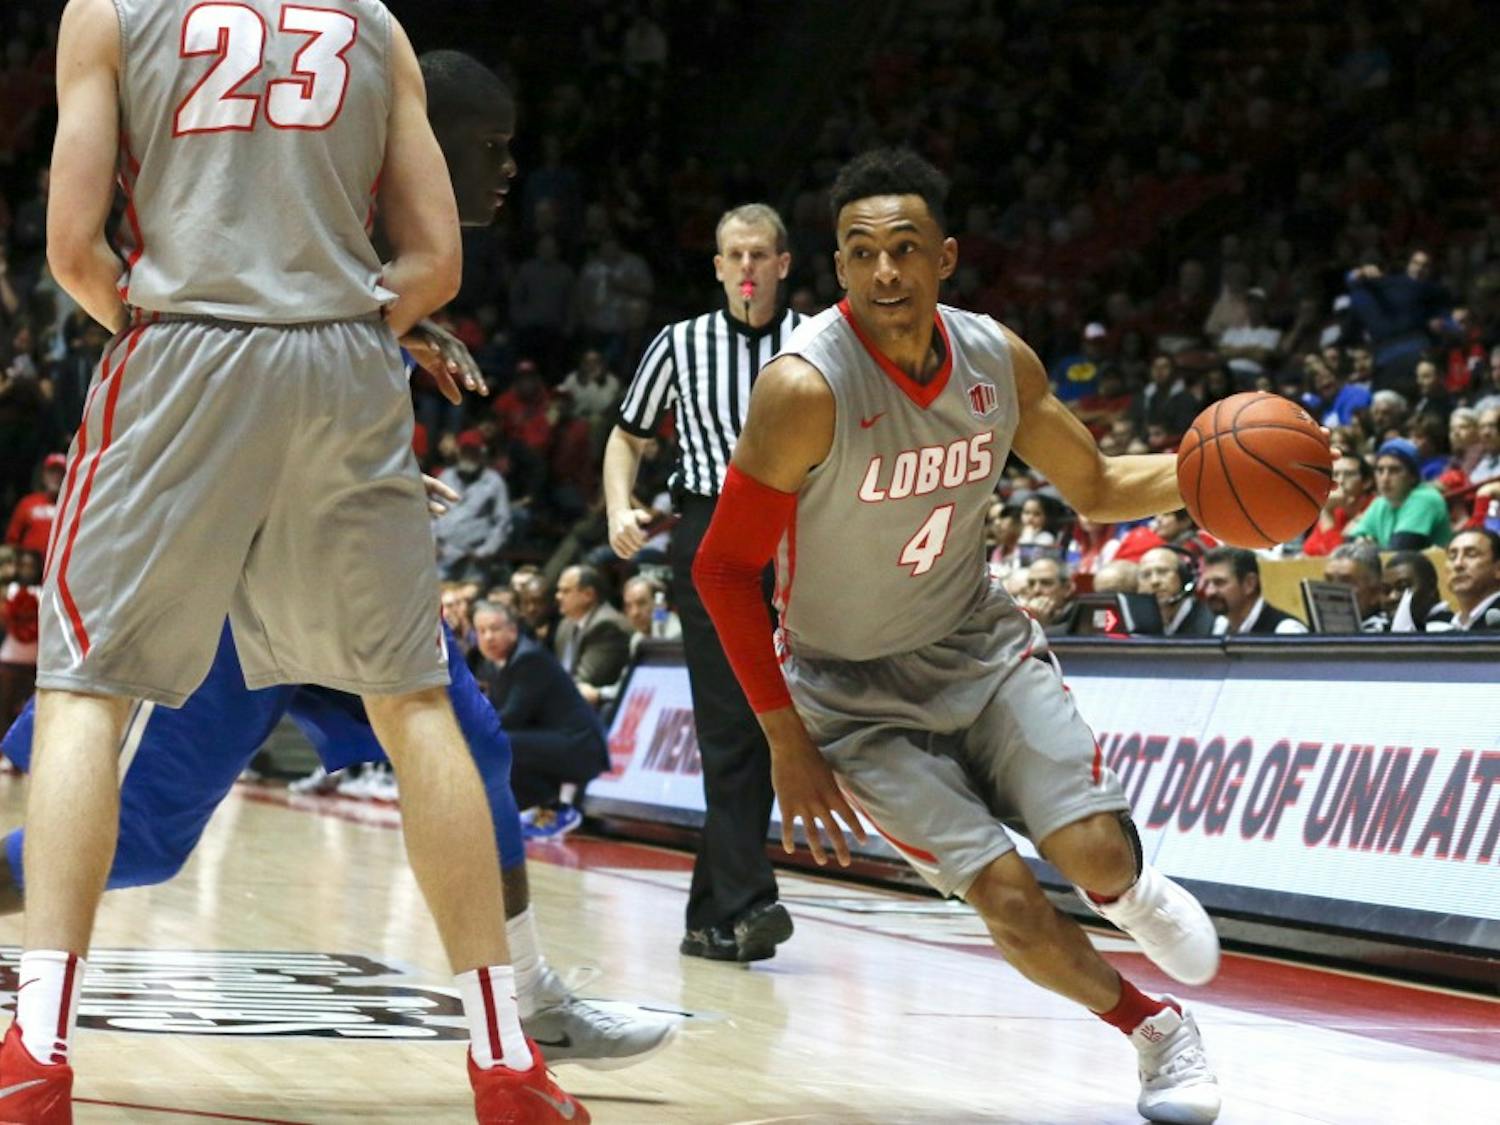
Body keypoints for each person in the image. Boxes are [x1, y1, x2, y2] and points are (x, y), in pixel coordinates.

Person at [12, 9, 579, 1119]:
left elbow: (72, 245)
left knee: (87, 694)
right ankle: (508, 1062)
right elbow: (435, 259)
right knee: (416, 706)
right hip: (342, 367)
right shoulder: (374, 22)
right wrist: (341, 317)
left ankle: (37, 1055)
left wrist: (159, 321)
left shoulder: (112, 13)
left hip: (180, 349)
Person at [693, 149, 1221, 1123]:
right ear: (839, 268)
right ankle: (1158, 1032)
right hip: (848, 694)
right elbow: (722, 569)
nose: (884, 272)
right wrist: (784, 739)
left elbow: (1097, 487)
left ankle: (1132, 893)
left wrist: (1211, 474)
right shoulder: (803, 388)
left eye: (904, 250)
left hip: (978, 644)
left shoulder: (996, 358)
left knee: (1097, 855)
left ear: (946, 258)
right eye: (860, 254)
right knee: (1011, 898)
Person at [603, 203, 804, 964]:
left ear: (784, 263)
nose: (747, 267)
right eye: (733, 255)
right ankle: (752, 899)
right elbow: (627, 434)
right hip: (713, 530)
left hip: (800, 536)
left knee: (768, 725)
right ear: (717, 266)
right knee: (733, 723)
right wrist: (621, 503)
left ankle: (711, 918)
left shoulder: (818, 341)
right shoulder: (679, 343)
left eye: (760, 254)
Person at [471, 601, 608, 837]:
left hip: (581, 747)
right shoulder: (496, 665)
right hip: (554, 742)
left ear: (512, 630)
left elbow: (512, 717)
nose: (488, 637)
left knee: (499, 742)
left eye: (494, 629)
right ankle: (535, 809)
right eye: (481, 631)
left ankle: (557, 809)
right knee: (492, 741)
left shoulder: (529, 660)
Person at [1344, 438, 1453, 549]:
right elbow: (1348, 546)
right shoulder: (1380, 502)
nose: (1385, 478)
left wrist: (1368, 548)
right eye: (1380, 470)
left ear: (1412, 477)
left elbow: (1400, 550)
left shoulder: (1425, 498)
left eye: (1394, 470)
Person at [435, 429, 512, 583]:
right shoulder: (445, 477)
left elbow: (503, 523)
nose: (469, 456)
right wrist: (431, 543)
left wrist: (484, 552)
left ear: (481, 453)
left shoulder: (493, 482)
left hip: (473, 560)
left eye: (473, 452)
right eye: (466, 451)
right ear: (459, 451)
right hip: (442, 555)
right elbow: (429, 513)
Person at [552, 564, 632, 705]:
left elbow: (586, 681)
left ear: (588, 595)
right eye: (559, 590)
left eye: (565, 591)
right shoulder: (565, 625)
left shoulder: (606, 626)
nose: (558, 596)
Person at [1200, 547, 1308, 635]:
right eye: (1206, 583)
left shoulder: (1286, 631)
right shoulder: (1219, 626)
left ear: (1249, 584)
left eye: (1219, 582)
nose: (1210, 592)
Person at [1302, 454, 1374, 556]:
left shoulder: (1375, 508)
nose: (1340, 481)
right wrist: (1328, 511)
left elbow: (1337, 556)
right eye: (1335, 475)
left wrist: (1327, 512)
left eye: (1349, 474)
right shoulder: (1335, 508)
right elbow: (1309, 550)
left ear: (1367, 482)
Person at [1137, 546, 1215, 636]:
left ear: (1183, 576)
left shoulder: (1213, 622)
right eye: (1146, 575)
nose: (1154, 581)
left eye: (1163, 572)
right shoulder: (1136, 624)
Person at [5, 452, 64, 555]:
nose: (56, 477)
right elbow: (12, 540)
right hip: (29, 567)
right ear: (43, 476)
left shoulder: (73, 506)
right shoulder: (27, 504)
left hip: (59, 566)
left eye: (60, 473)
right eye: (52, 472)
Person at [1323, 543, 1389, 631]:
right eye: (1328, 581)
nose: (1332, 592)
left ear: (1375, 593)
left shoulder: (1379, 634)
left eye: (1345, 583)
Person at [1383, 550, 1452, 632]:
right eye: (1386, 590)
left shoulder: (1448, 632)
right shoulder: (1380, 629)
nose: (1392, 597)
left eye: (1403, 587)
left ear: (1431, 588)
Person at [1445, 529, 1500, 631]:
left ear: (1498, 569)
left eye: (1471, 554)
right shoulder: (1444, 626)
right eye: (1452, 556)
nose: (1458, 564)